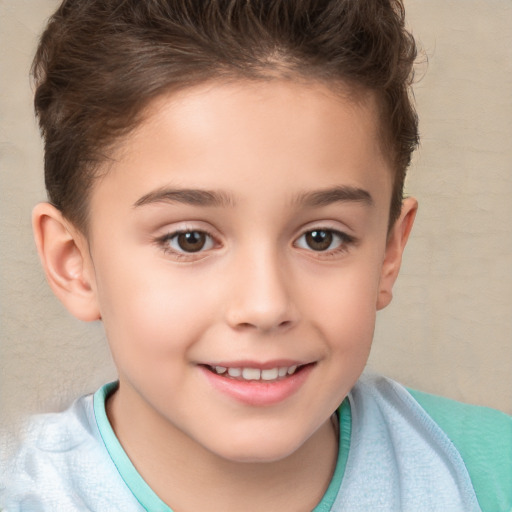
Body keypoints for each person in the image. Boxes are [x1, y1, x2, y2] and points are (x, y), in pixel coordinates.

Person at [1, 0, 510, 510]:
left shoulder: (487, 473)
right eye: (189, 239)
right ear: (74, 263)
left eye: (321, 238)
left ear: (388, 253)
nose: (265, 306)